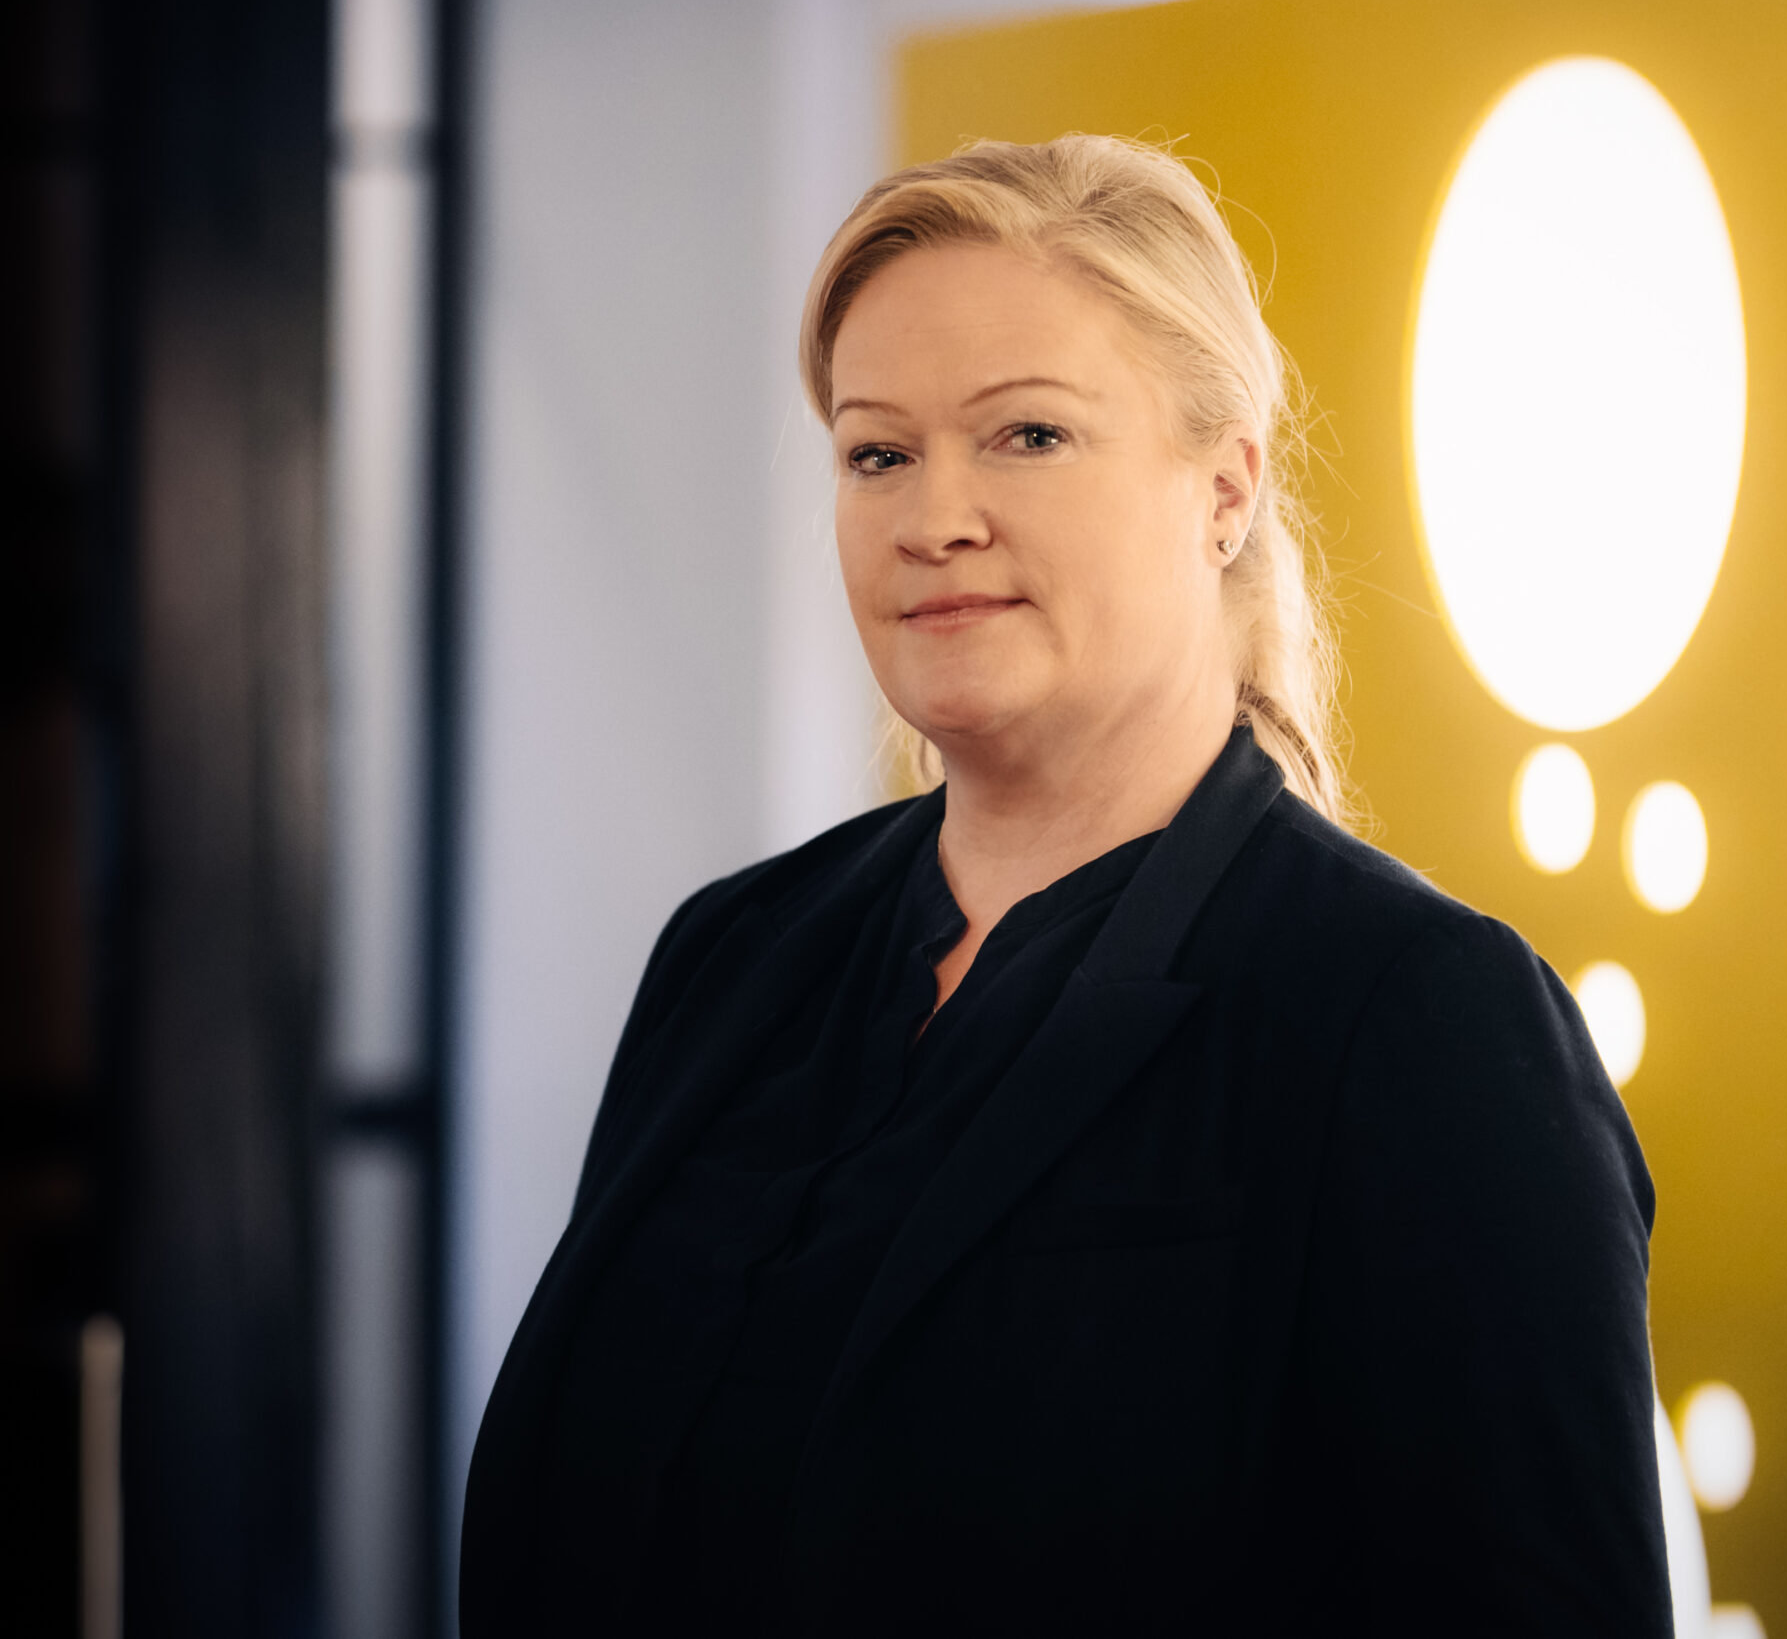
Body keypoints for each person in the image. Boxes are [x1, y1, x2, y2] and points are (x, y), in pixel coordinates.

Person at [460, 134, 1670, 1636]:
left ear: (1224, 489)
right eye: (878, 453)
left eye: (1027, 435)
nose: (933, 518)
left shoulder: (1423, 1023)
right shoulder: (732, 957)